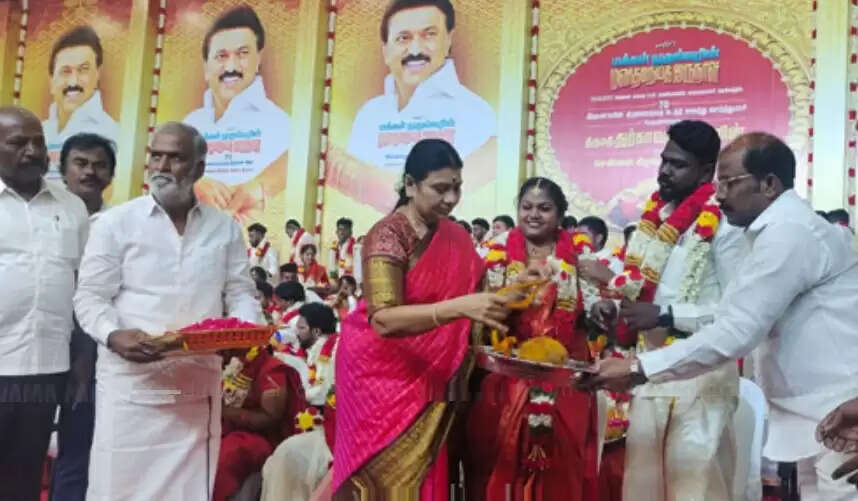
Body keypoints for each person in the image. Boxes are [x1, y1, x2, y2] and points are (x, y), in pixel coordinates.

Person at [583, 132, 858, 500]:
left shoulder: (788, 234)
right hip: (821, 414)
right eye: (718, 184)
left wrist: (638, 367)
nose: (720, 194)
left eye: (729, 182)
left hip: (842, 410)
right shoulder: (771, 231)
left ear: (769, 184)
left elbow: (736, 329)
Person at [73, 122, 260, 500]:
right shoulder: (115, 223)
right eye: (156, 156)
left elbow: (240, 291)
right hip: (131, 382)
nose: (161, 166)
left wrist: (246, 331)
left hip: (195, 383)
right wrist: (113, 335)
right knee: (120, 486)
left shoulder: (223, 228)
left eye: (175, 158)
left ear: (199, 168)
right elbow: (90, 297)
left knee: (187, 489)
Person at [333, 139, 513, 499]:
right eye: (440, 188)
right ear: (410, 185)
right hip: (377, 378)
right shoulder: (387, 234)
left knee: (429, 476)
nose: (451, 198)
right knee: (379, 481)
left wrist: (520, 292)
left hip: (432, 375)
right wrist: (456, 308)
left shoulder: (456, 237)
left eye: (457, 187)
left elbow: (478, 300)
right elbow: (383, 319)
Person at [592, 120, 745, 501]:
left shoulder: (725, 226)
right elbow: (639, 289)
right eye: (664, 161)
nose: (664, 171)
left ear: (706, 172)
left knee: (696, 488)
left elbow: (736, 313)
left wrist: (664, 315)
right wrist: (614, 306)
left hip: (702, 381)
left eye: (677, 164)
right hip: (651, 374)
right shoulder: (653, 220)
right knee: (643, 488)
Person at [467, 177, 600, 501]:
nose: (534, 215)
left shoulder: (579, 257)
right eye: (526, 207)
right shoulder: (496, 253)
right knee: (503, 459)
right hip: (509, 374)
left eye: (544, 208)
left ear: (560, 214)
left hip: (563, 375)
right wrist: (517, 288)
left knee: (562, 465)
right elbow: (486, 313)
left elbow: (593, 310)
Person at [328, 0, 498, 212]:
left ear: (448, 40)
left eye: (429, 35)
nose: (416, 49)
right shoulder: (369, 115)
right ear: (385, 50)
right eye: (403, 38)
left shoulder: (475, 112)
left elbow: (464, 200)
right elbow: (351, 207)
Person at [0, 106, 89, 501]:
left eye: (39, 142)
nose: (33, 151)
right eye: (18, 143)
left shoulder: (71, 207)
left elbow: (85, 287)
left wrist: (82, 360)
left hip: (46, 366)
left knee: (24, 474)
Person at [52, 132, 115, 501]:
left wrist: (86, 356)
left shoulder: (120, 224)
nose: (90, 171)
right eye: (81, 163)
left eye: (99, 165)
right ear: (63, 170)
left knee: (78, 450)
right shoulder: (39, 216)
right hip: (32, 351)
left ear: (110, 175)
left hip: (92, 353)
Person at [185, 5, 291, 223]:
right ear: (206, 67)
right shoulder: (190, 125)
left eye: (242, 54)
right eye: (221, 56)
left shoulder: (280, 125)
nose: (231, 66)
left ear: (258, 59)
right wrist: (191, 186)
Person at [262, 303, 340, 501]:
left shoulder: (330, 350)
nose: (297, 332)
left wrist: (298, 392)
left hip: (332, 428)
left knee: (286, 455)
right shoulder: (318, 348)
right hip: (321, 420)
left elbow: (322, 392)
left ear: (316, 331)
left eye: (302, 328)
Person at [214, 344, 306, 501]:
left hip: (261, 438)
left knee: (227, 456)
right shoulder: (234, 363)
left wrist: (225, 412)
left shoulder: (272, 369)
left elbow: (271, 417)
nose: (225, 350)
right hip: (227, 429)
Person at [43, 26, 119, 179]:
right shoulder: (38, 132)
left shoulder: (113, 135)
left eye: (83, 70)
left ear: (97, 75)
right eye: (65, 71)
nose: (73, 81)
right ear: (51, 80)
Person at [329, 217, 361, 282]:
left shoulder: (356, 248)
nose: (341, 232)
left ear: (350, 232)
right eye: (340, 229)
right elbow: (332, 269)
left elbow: (358, 272)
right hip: (338, 283)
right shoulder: (334, 247)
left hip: (351, 283)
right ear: (336, 231)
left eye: (345, 229)